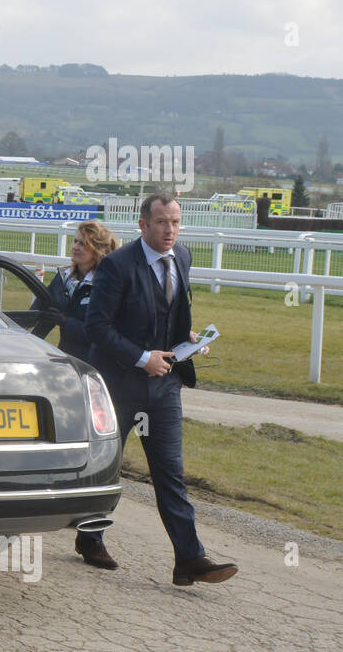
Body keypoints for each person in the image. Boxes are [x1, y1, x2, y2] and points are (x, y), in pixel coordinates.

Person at [82, 191, 237, 585]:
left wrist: (188, 339)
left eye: (175, 222)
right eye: (162, 222)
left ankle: (189, 558)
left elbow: (168, 314)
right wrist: (141, 357)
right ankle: (90, 535)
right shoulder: (117, 266)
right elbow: (98, 328)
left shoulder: (182, 257)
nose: (170, 230)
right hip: (119, 385)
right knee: (105, 466)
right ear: (143, 225)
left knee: (171, 473)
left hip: (166, 387)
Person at [43, 220, 119, 363]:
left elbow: (105, 334)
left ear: (97, 251)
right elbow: (38, 313)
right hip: (65, 361)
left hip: (97, 365)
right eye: (75, 241)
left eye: (82, 244)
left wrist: (66, 322)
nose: (75, 247)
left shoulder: (108, 284)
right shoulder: (62, 278)